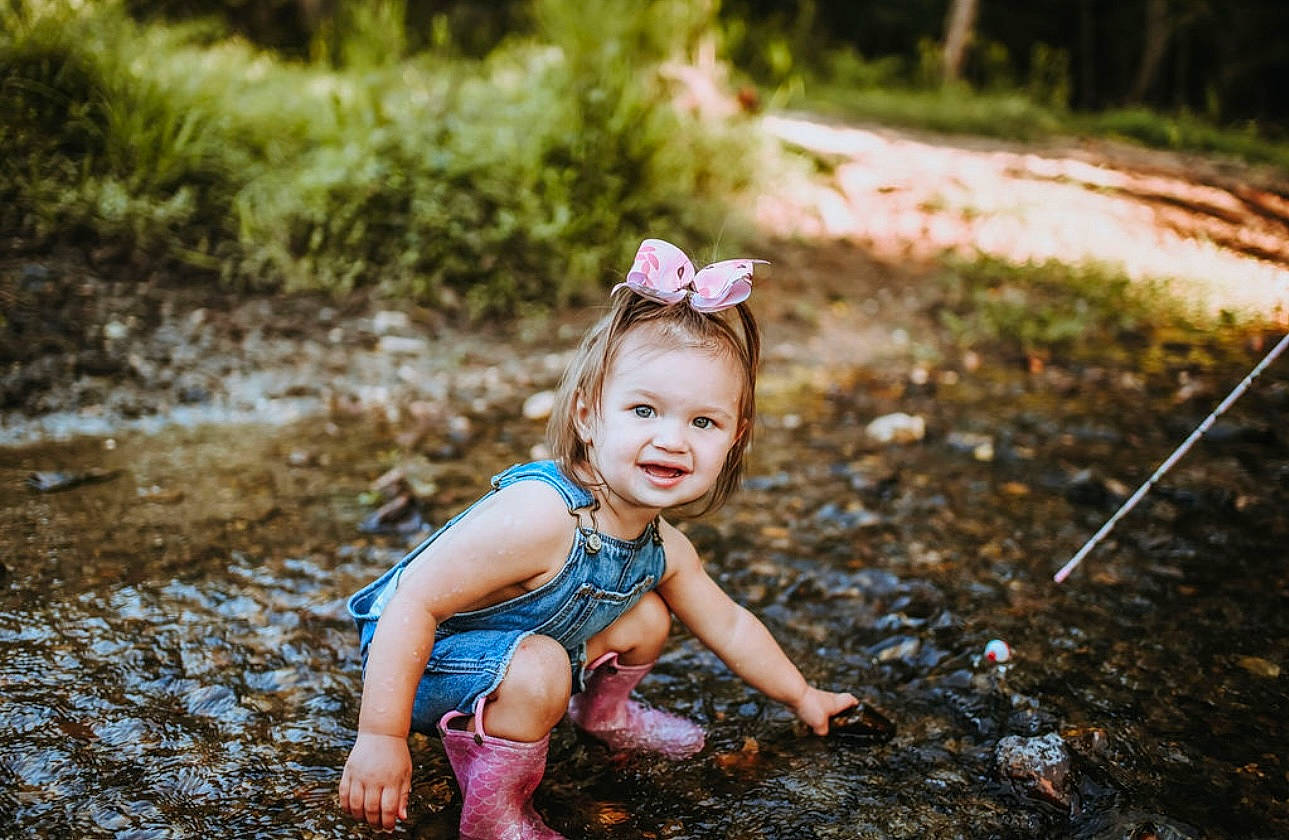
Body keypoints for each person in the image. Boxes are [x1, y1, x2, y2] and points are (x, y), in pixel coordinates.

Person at [338, 238, 858, 837]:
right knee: (541, 667)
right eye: (644, 410)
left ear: (735, 437)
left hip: (515, 651)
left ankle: (602, 715)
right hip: (424, 660)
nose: (672, 440)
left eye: (702, 421)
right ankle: (494, 813)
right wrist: (380, 737)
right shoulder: (540, 517)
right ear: (588, 415)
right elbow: (412, 603)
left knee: (647, 617)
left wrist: (804, 697)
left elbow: (731, 624)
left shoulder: (661, 544)